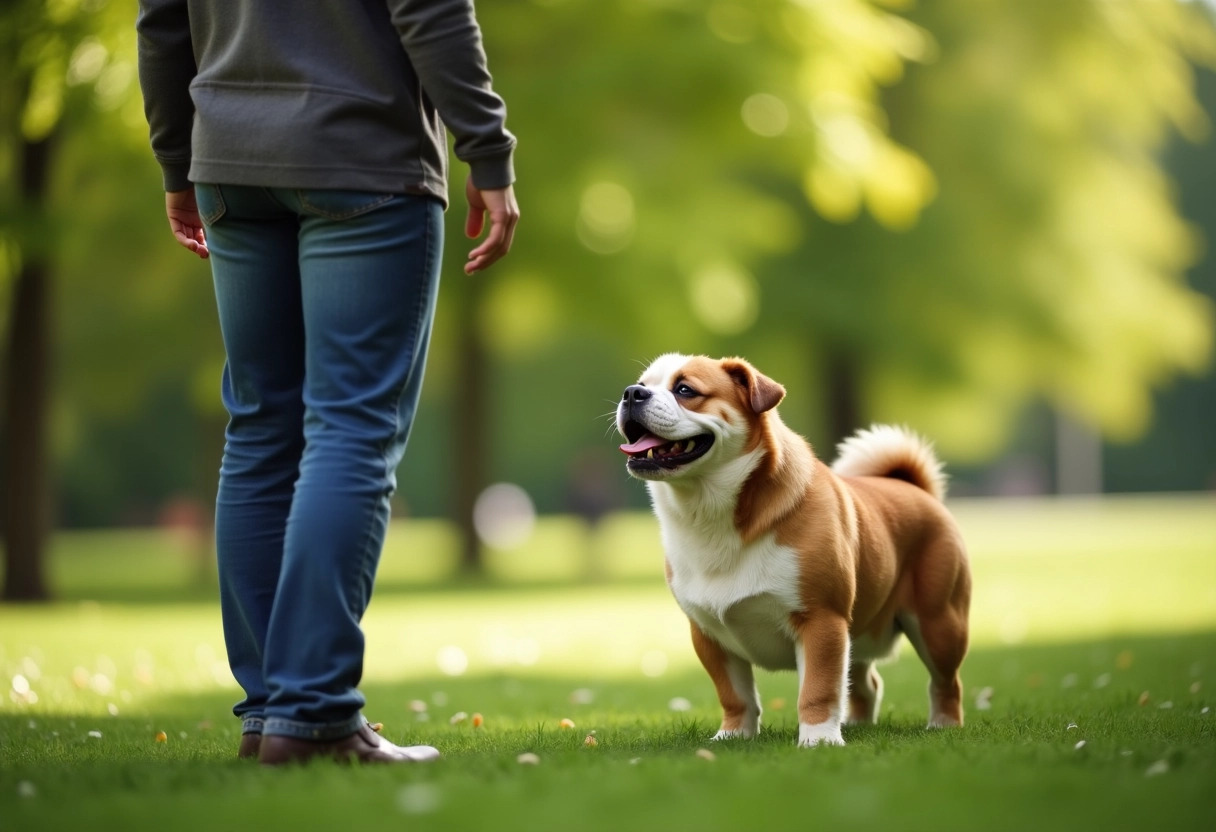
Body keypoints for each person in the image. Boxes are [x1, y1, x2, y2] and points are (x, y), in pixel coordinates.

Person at [135, 0, 519, 765]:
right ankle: (313, 716)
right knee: (350, 428)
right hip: (363, 154)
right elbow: (432, 9)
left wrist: (178, 161)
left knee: (260, 432)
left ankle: (271, 714)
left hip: (229, 160)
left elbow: (160, 20)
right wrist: (489, 152)